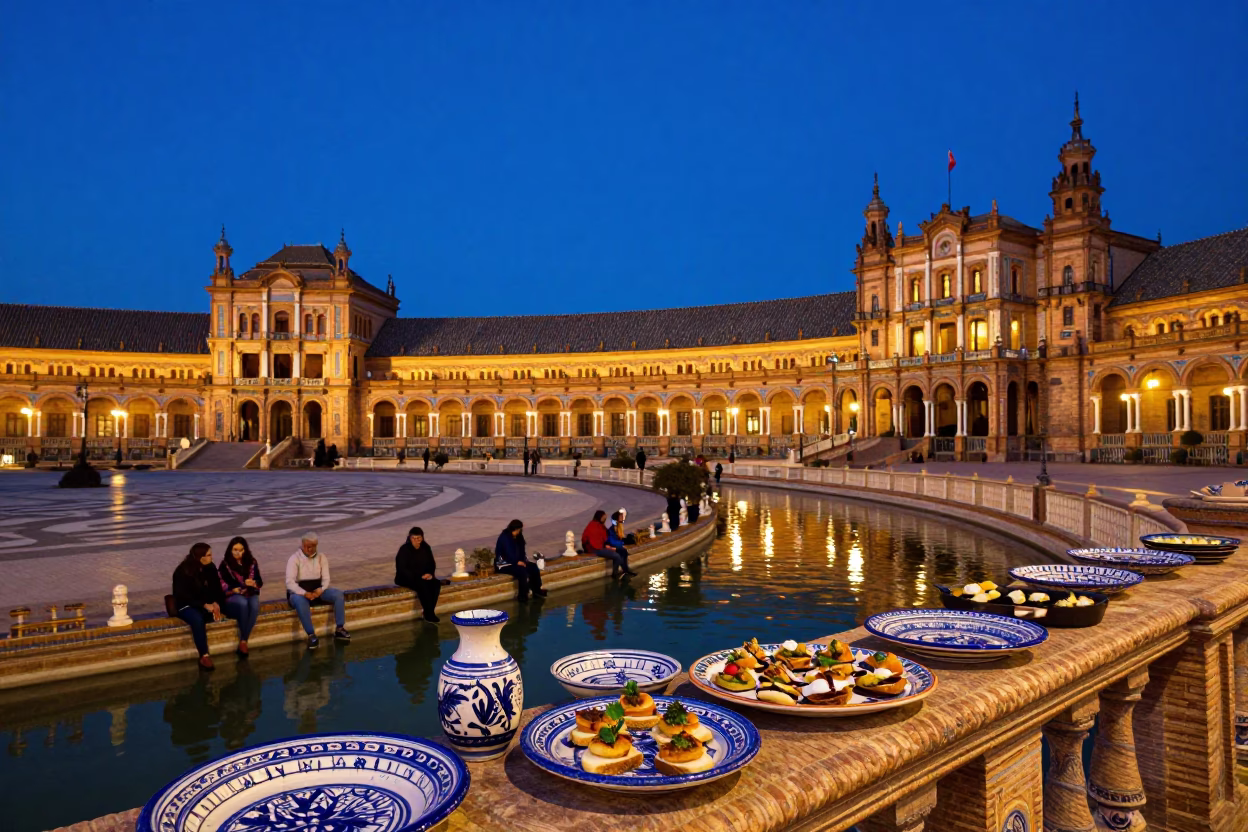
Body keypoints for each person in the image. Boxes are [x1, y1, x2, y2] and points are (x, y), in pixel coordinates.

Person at [285, 531, 350, 648]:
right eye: (308, 546)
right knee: (300, 601)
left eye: (313, 546)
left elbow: (326, 578)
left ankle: (340, 628)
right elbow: (290, 582)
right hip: (299, 593)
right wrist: (304, 593)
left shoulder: (321, 557)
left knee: (338, 594)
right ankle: (311, 635)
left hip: (317, 591)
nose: (310, 549)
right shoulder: (294, 559)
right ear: (303, 545)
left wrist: (321, 589)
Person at [172, 542, 226, 670]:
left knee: (221, 611)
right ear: (200, 557)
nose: (211, 557)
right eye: (208, 555)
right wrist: (203, 604)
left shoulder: (211, 568)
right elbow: (182, 595)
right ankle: (204, 655)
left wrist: (216, 602)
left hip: (205, 604)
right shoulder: (182, 571)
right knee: (197, 619)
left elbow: (216, 589)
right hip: (186, 605)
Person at [218, 535, 263, 656]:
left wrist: (253, 583)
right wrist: (237, 587)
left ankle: (243, 640)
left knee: (254, 605)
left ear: (245, 550)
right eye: (235, 550)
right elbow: (222, 584)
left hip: (250, 592)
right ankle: (244, 642)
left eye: (241, 550)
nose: (238, 553)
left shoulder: (251, 562)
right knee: (243, 603)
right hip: (233, 594)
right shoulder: (225, 564)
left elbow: (259, 581)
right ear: (230, 550)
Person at [395, 526, 442, 623]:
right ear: (410, 538)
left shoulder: (426, 547)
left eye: (418, 538)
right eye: (414, 538)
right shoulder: (404, 549)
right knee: (422, 586)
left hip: (424, 576)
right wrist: (418, 576)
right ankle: (429, 614)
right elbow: (402, 568)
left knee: (436, 584)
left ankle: (429, 611)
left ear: (422, 537)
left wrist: (429, 574)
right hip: (407, 577)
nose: (416, 540)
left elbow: (431, 563)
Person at [494, 519, 546, 601]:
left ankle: (536, 589)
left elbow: (522, 550)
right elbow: (508, 553)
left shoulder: (519, 537)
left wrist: (523, 561)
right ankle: (523, 595)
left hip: (518, 561)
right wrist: (517, 562)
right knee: (522, 572)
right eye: (518, 529)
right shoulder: (504, 537)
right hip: (505, 564)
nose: (519, 531)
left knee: (533, 567)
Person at [582, 510, 636, 579]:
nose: (605, 519)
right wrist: (608, 547)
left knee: (623, 551)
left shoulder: (600, 525)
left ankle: (626, 571)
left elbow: (605, 538)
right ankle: (615, 575)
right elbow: (595, 543)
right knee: (616, 556)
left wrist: (608, 545)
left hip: (602, 546)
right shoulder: (593, 526)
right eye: (604, 517)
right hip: (595, 549)